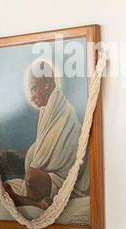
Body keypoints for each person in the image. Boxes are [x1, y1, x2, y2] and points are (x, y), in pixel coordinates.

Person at [7, 58, 88, 209]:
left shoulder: (65, 112)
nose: (31, 97)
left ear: (46, 86)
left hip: (62, 180)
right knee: (5, 187)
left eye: (33, 89)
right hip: (45, 180)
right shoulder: (46, 110)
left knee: (32, 176)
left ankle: (25, 200)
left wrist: (34, 163)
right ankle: (35, 203)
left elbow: (58, 161)